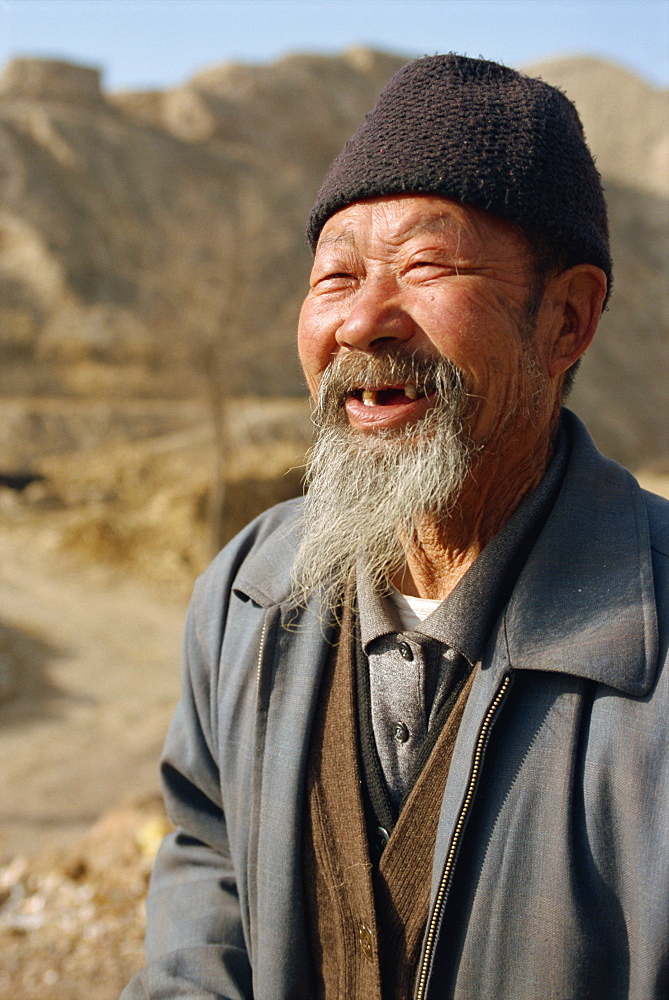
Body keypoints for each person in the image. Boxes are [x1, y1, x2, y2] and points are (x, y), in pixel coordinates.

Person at [121, 54, 669, 1000]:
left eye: (424, 266)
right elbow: (207, 846)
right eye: (334, 277)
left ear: (567, 318)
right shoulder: (251, 587)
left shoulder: (650, 633)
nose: (364, 320)